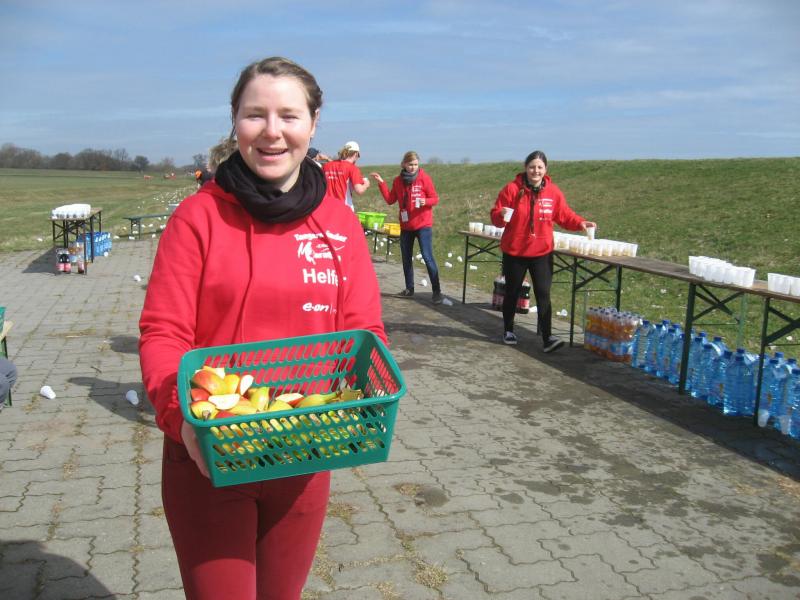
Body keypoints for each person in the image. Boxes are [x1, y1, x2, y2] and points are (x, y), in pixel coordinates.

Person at [138, 56, 386, 600]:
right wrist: (181, 420)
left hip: (305, 457)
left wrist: (367, 391)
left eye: (289, 116)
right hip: (211, 457)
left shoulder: (339, 224)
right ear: (235, 121)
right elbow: (163, 333)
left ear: (313, 124)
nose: (272, 131)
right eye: (255, 115)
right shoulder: (197, 218)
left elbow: (365, 329)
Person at [489, 150, 596, 351]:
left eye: (539, 167)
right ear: (525, 168)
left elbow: (564, 215)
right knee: (512, 292)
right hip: (515, 252)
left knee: (543, 293)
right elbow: (496, 218)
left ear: (545, 169)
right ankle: (508, 330)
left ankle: (548, 338)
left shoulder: (553, 192)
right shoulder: (512, 189)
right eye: (532, 167)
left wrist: (581, 223)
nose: (535, 171)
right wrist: (500, 214)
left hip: (542, 253)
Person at [371, 151, 444, 304]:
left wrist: (426, 201)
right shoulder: (398, 181)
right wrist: (381, 183)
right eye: (410, 164)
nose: (413, 167)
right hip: (406, 226)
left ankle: (437, 292)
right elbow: (390, 199)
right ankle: (409, 289)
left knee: (427, 257)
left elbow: (435, 198)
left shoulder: (424, 178)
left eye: (416, 164)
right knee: (406, 258)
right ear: (404, 164)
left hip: (423, 225)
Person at [321, 141, 370, 210]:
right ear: (356, 154)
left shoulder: (326, 166)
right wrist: (366, 184)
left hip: (326, 207)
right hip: (344, 208)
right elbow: (359, 190)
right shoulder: (352, 168)